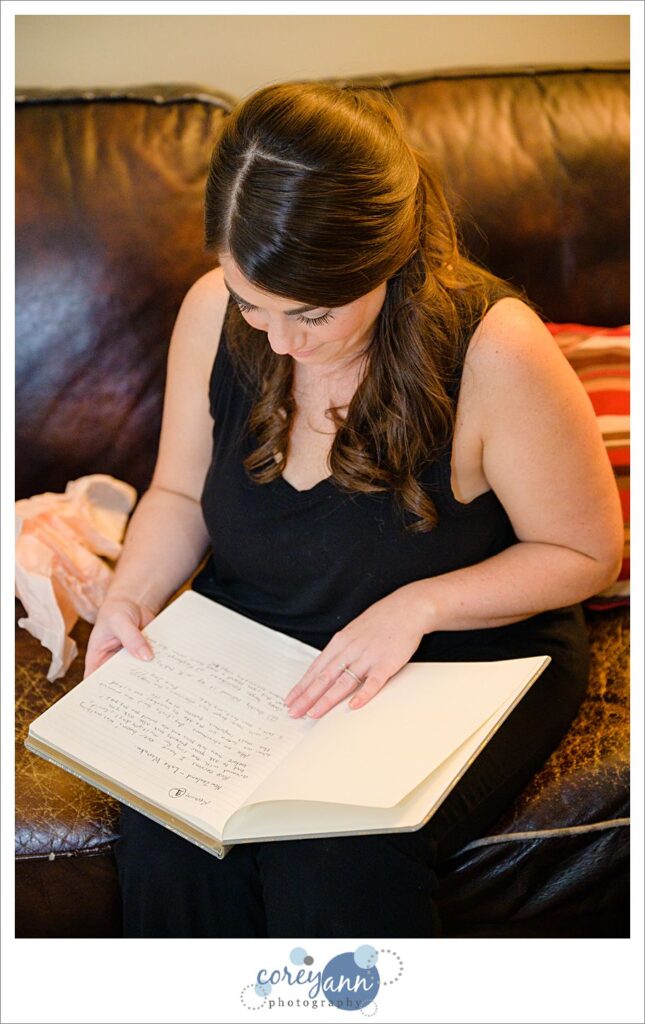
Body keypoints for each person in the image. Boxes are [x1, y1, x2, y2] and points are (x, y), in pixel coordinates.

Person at [84, 82, 624, 938]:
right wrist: (128, 597)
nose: (280, 344)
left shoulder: (494, 348)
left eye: (314, 313)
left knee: (334, 850)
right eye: (254, 304)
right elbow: (181, 493)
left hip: (460, 659)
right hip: (259, 646)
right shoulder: (209, 311)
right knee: (172, 840)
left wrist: (417, 606)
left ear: (387, 261)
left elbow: (585, 550)